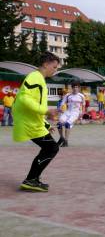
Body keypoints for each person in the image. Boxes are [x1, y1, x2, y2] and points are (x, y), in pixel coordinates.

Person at [12, 52, 60, 192]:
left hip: (33, 123)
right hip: (29, 124)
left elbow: (34, 105)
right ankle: (31, 179)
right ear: (45, 64)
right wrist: (46, 111)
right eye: (54, 66)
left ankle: (33, 179)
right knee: (52, 148)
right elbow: (25, 99)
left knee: (49, 148)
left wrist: (45, 124)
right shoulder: (35, 77)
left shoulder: (39, 79)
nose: (55, 70)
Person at [57, 81, 85, 147]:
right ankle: (61, 138)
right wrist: (60, 108)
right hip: (68, 112)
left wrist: (82, 112)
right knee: (59, 124)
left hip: (75, 113)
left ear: (79, 88)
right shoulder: (68, 95)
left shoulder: (81, 96)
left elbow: (83, 105)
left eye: (77, 87)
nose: (75, 88)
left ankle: (66, 141)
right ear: (72, 88)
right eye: (74, 87)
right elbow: (62, 103)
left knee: (67, 124)